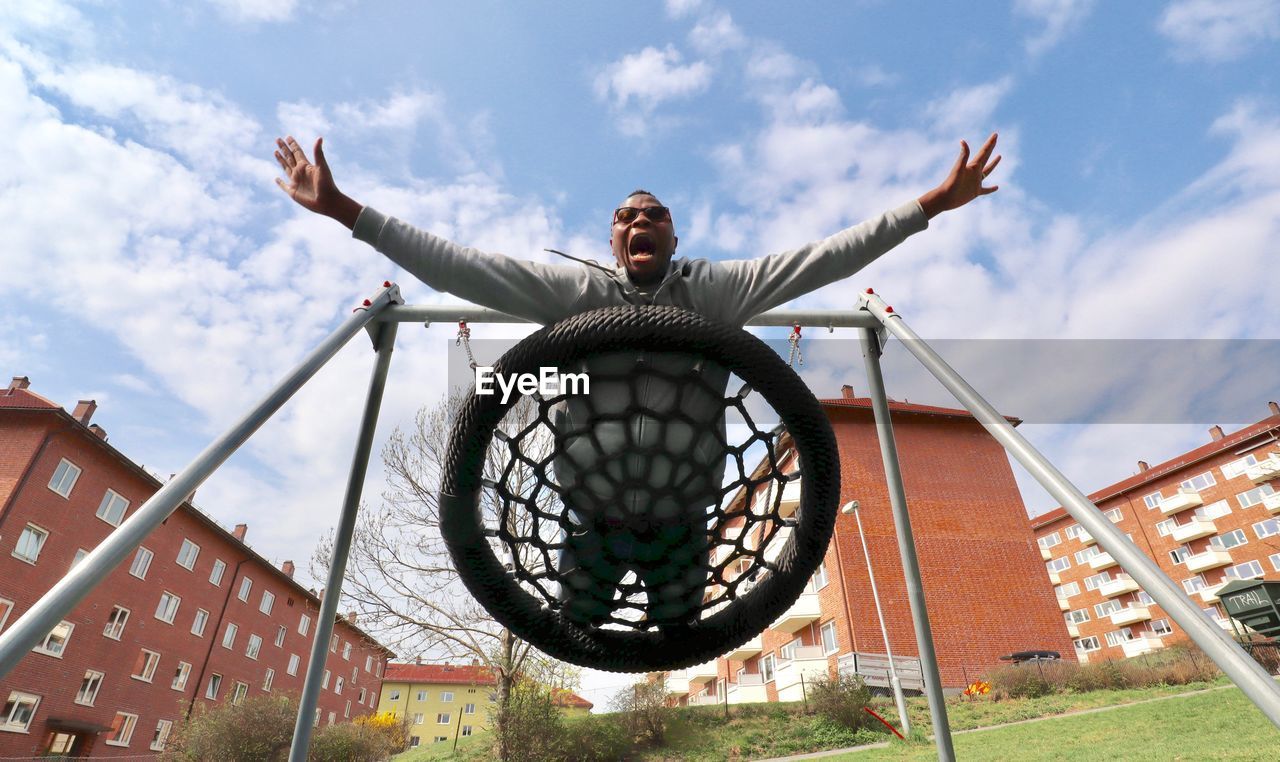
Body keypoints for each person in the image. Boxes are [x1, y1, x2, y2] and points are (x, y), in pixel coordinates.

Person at [274, 133, 1001, 628]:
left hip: (683, 519)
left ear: (675, 240)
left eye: (654, 215)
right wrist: (345, 209)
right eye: (626, 216)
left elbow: (825, 258)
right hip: (589, 515)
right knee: (575, 629)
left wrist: (930, 205)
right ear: (613, 240)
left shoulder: (717, 290)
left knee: (681, 630)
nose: (639, 220)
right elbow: (462, 266)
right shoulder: (574, 293)